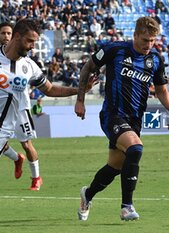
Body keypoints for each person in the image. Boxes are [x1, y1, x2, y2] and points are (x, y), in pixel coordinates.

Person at [74, 17, 169, 222]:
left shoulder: (155, 59)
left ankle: (87, 195)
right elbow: (87, 68)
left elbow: (161, 89)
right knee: (136, 148)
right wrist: (80, 100)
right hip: (112, 115)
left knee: (115, 167)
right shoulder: (114, 50)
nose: (149, 45)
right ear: (134, 35)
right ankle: (127, 207)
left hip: (135, 120)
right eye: (145, 40)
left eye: (152, 40)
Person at [0, 19, 97, 190]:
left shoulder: (30, 67)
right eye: (29, 41)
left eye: (34, 42)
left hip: (4, 129)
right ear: (16, 36)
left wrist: (81, 89)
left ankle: (34, 175)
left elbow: (50, 90)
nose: (32, 46)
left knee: (27, 143)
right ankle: (17, 159)